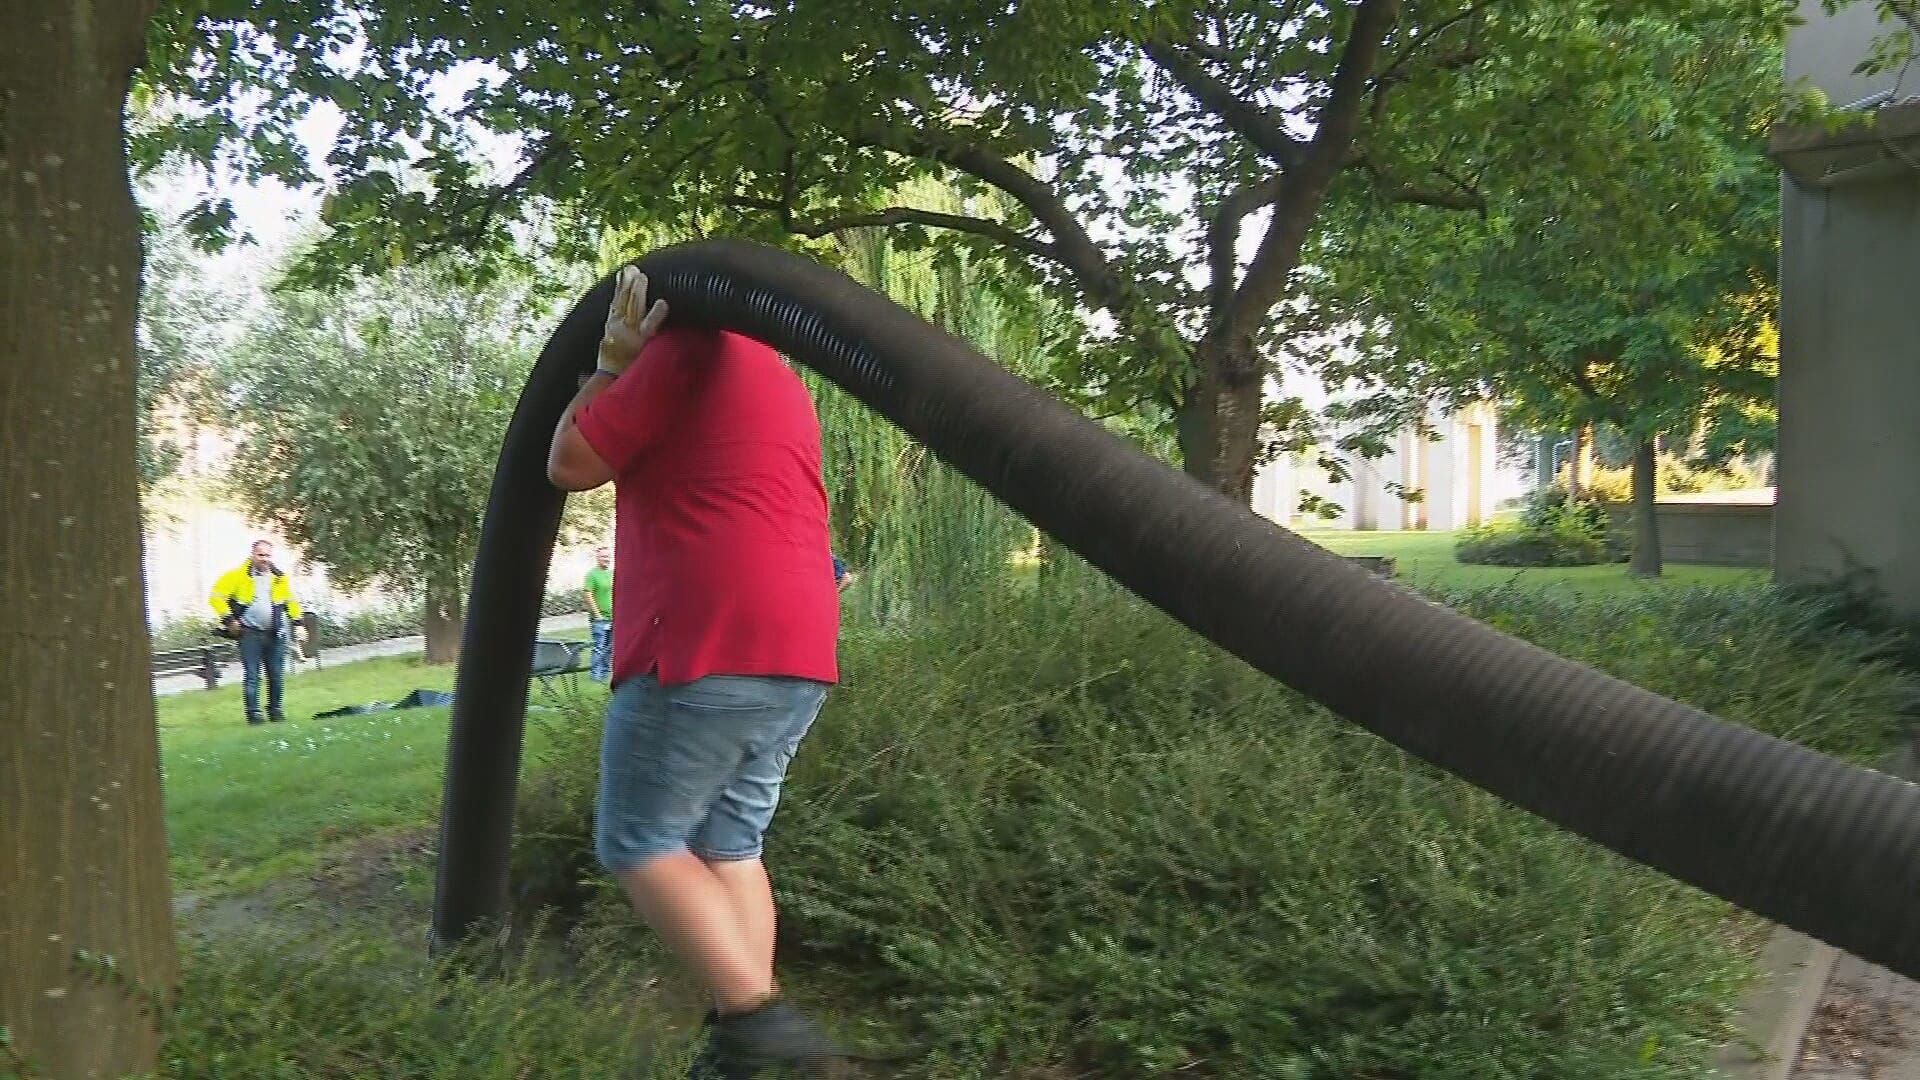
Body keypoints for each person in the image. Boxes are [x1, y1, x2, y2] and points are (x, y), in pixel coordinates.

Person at [546, 266, 849, 1078]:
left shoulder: (683, 350)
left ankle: (767, 1031)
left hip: (704, 635)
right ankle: (743, 1052)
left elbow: (570, 461)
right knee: (730, 844)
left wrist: (611, 371)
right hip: (798, 644)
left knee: (638, 841)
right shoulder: (772, 370)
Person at [208, 539, 304, 726]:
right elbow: (216, 598)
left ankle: (275, 711)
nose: (264, 559)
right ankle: (254, 715)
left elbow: (290, 601)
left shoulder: (279, 577)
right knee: (253, 675)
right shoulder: (236, 576)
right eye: (261, 555)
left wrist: (298, 623)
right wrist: (229, 620)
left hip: (275, 632)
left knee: (276, 674)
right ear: (252, 555)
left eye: (268, 555)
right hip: (250, 633)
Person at [584, 546, 614, 682]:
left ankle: (606, 675)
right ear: (597, 558)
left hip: (613, 617)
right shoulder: (592, 574)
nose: (606, 559)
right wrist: (597, 615)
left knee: (609, 648)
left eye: (608, 557)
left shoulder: (612, 573)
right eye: (603, 557)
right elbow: (587, 594)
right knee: (599, 647)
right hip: (599, 619)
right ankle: (596, 677)